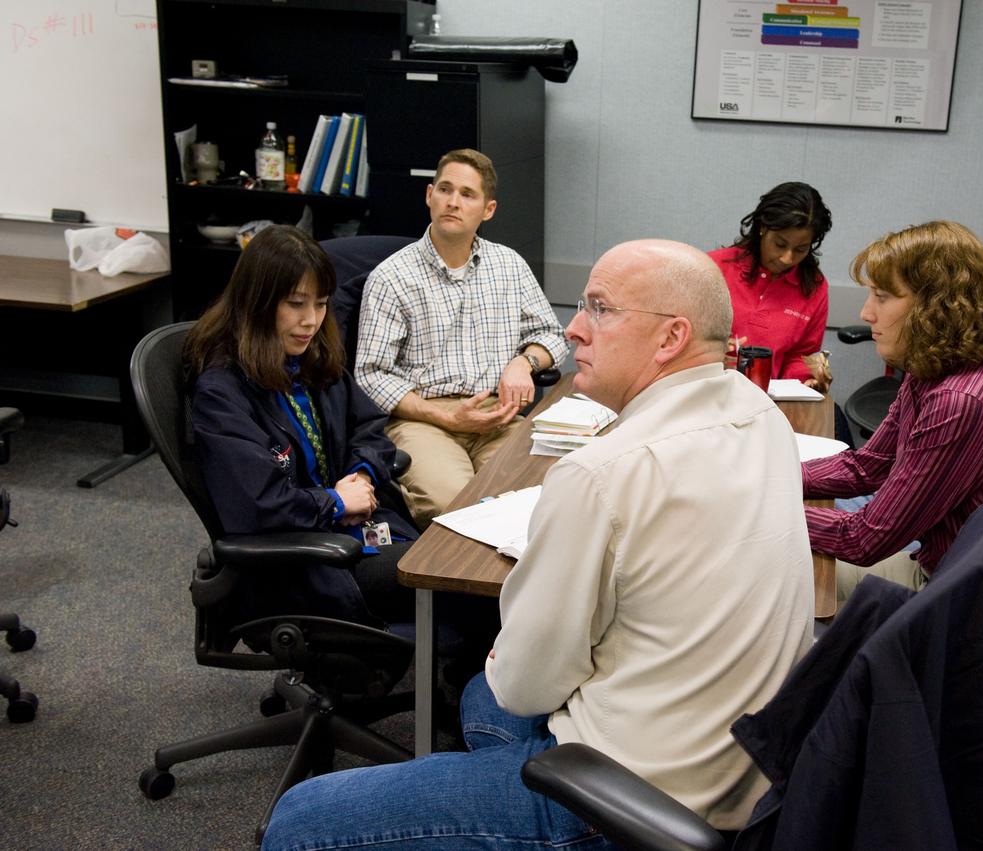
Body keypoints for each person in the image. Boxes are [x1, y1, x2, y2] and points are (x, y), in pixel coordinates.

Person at [261, 239, 816, 849]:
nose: (574, 329)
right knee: (479, 695)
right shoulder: (762, 416)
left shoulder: (602, 473)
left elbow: (527, 685)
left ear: (670, 338)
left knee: (300, 818)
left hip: (629, 796)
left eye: (600, 309)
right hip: (743, 771)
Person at [801, 221, 983, 674]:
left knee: (780, 584)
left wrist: (757, 505)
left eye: (882, 296)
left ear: (936, 307)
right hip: (957, 581)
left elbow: (864, 538)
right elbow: (867, 468)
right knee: (780, 569)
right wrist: (768, 474)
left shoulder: (961, 400)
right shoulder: (933, 370)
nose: (865, 313)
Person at [185, 224, 417, 628]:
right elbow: (258, 505)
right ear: (256, 303)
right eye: (295, 304)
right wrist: (337, 502)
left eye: (322, 303)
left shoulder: (312, 361)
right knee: (456, 585)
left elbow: (370, 428)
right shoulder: (222, 393)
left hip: (355, 534)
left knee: (467, 570)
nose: (311, 321)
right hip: (304, 564)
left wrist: (361, 476)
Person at [355, 148, 569, 526]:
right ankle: (453, 585)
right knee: (456, 509)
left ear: (488, 210)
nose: (453, 202)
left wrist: (525, 362)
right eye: (445, 189)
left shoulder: (509, 266)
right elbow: (371, 374)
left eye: (467, 194)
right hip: (426, 420)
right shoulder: (392, 277)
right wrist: (445, 416)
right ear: (429, 195)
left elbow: (552, 334)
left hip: (496, 415)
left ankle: (507, 587)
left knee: (542, 499)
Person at [709, 181, 833, 389]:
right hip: (708, 392)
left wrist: (808, 377)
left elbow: (797, 357)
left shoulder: (814, 289)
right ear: (762, 228)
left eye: (801, 249)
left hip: (767, 400)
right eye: (780, 244)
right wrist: (709, 350)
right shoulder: (713, 268)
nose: (787, 258)